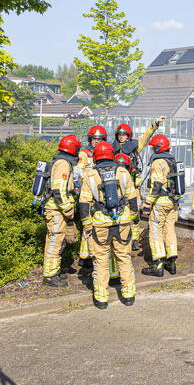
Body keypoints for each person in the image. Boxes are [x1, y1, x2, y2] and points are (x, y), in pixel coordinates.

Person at [79, 143, 138, 309]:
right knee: (124, 258)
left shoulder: (90, 175)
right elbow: (132, 198)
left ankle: (102, 298)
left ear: (96, 156)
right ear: (112, 154)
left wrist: (87, 225)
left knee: (100, 261)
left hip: (100, 224)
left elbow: (84, 203)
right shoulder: (123, 172)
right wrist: (133, 218)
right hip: (122, 222)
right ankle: (128, 295)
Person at [114, 117, 164, 250]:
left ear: (128, 136)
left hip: (133, 187)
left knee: (134, 214)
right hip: (117, 187)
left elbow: (145, 137)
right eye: (119, 134)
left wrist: (154, 125)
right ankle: (121, 238)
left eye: (124, 134)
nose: (121, 137)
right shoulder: (111, 149)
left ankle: (135, 240)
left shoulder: (134, 147)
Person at [42, 134, 82, 286]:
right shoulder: (63, 164)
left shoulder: (62, 162)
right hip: (56, 210)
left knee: (58, 242)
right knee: (55, 241)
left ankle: (55, 272)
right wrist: (68, 209)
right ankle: (50, 276)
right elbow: (58, 190)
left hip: (57, 209)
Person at [141, 134, 182, 277]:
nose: (152, 150)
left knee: (156, 231)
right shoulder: (172, 160)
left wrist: (147, 204)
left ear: (158, 148)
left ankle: (158, 265)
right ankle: (171, 263)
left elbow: (157, 185)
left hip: (161, 202)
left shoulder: (157, 163)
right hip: (173, 202)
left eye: (153, 147)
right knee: (170, 229)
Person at [76, 125, 108, 268]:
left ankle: (96, 253)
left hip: (99, 194)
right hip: (88, 192)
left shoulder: (105, 153)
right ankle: (85, 257)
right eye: (94, 139)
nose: (97, 141)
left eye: (99, 139)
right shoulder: (84, 154)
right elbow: (78, 172)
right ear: (90, 139)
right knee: (87, 225)